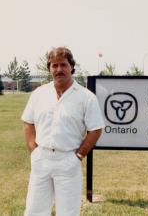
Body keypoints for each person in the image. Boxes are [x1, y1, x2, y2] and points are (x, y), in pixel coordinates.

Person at [21, 47, 105, 216]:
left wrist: (79, 156)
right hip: (41, 159)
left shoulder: (86, 97)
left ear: (72, 67)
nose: (59, 69)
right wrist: (33, 150)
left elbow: (95, 130)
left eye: (63, 65)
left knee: (68, 212)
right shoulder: (39, 94)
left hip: (68, 160)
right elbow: (28, 122)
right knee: (34, 210)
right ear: (49, 68)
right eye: (54, 65)